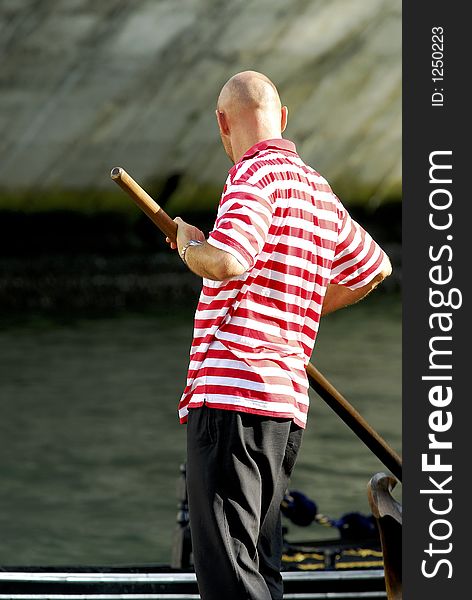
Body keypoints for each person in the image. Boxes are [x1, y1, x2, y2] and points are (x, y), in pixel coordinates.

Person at [166, 70, 391, 600]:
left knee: (229, 572)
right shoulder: (315, 187)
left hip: (232, 399)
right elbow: (373, 268)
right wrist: (299, 306)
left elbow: (225, 259)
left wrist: (186, 246)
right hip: (282, 409)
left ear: (222, 124)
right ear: (283, 118)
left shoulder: (252, 177)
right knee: (259, 564)